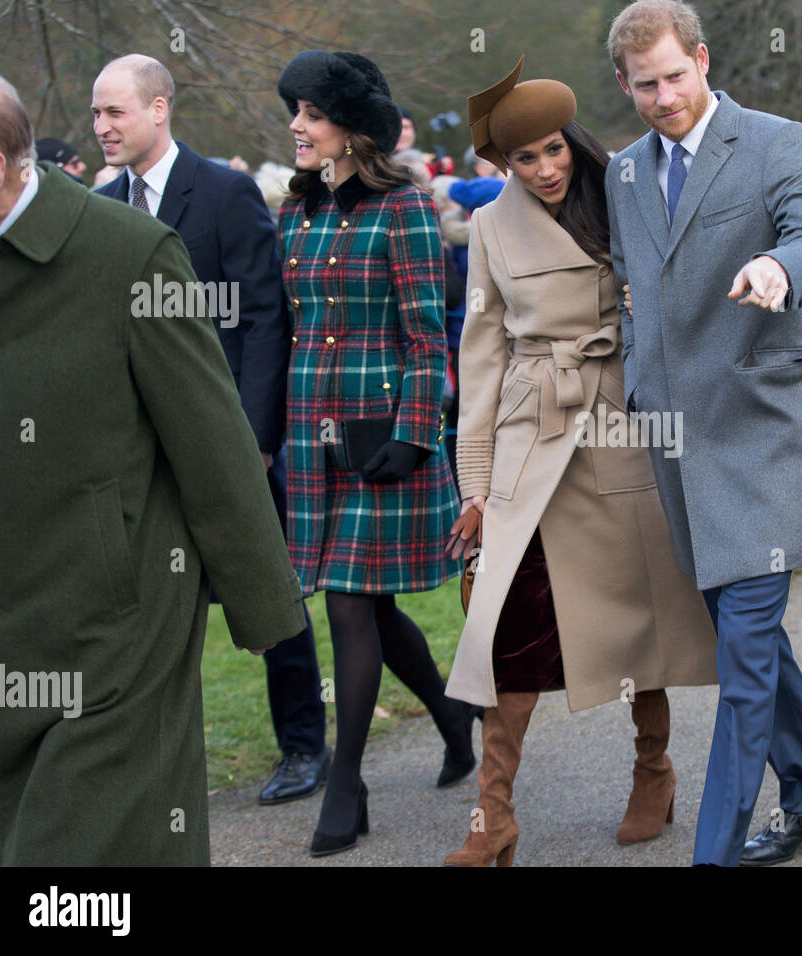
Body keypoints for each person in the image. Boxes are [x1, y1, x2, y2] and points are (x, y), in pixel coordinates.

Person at [0, 69, 307, 865]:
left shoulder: (130, 254)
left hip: (117, 626)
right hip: (7, 634)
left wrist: (264, 611)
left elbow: (212, 440)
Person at [439, 59, 716, 867]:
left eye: (554, 149)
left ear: (573, 142)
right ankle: (493, 821)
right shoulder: (491, 227)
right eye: (525, 158)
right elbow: (481, 358)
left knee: (641, 613)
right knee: (505, 628)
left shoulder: (625, 193)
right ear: (504, 165)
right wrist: (476, 484)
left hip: (618, 426)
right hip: (533, 435)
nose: (546, 168)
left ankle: (652, 771)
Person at [605, 0, 802, 867]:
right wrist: (637, 377)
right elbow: (634, 290)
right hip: (679, 449)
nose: (664, 96)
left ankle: (713, 854)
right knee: (755, 644)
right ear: (626, 86)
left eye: (675, 75)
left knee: (742, 665)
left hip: (763, 440)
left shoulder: (778, 141)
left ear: (702, 61)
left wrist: (781, 265)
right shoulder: (624, 173)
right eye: (645, 85)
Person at [91, 53, 330, 807]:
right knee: (145, 607)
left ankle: (303, 747)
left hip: (229, 438)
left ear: (159, 110)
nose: (101, 127)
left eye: (115, 112)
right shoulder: (100, 204)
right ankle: (151, 761)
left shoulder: (224, 194)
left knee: (267, 595)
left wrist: (255, 437)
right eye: (95, 114)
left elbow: (264, 317)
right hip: (135, 452)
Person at [276, 49, 473, 856]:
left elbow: (430, 336)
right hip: (312, 437)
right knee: (367, 604)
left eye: (311, 114)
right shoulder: (296, 212)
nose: (295, 125)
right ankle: (454, 720)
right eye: (294, 111)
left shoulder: (408, 209)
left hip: (386, 437)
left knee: (351, 604)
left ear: (352, 130)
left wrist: (415, 431)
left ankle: (347, 783)